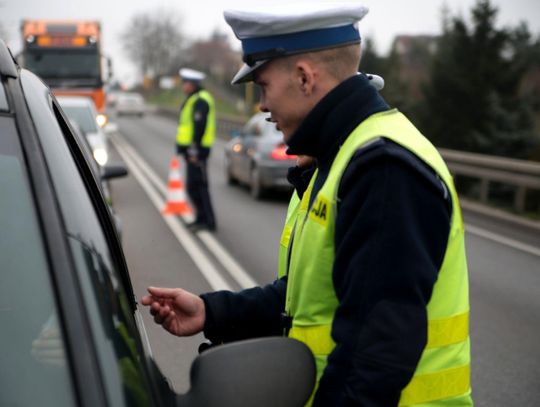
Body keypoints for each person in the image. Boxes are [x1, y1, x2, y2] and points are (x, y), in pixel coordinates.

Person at [143, 3, 473, 406]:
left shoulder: (382, 169)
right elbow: (305, 299)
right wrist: (212, 313)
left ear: (303, 77)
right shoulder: (336, 158)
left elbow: (375, 357)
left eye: (262, 86)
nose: (261, 105)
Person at [175, 68, 217, 231]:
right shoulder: (194, 99)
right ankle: (201, 218)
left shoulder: (200, 100)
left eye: (185, 83)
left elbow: (199, 127)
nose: (183, 86)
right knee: (194, 186)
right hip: (193, 151)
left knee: (199, 186)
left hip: (197, 152)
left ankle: (208, 221)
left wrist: (193, 151)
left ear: (192, 84)